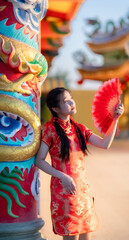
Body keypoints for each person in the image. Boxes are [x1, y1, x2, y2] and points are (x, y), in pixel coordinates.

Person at [35, 87, 124, 240]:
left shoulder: (79, 129)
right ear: (55, 108)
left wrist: (115, 118)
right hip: (64, 193)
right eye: (65, 100)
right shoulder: (50, 130)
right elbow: (39, 161)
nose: (71, 102)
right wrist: (62, 176)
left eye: (71, 98)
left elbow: (105, 144)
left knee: (85, 237)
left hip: (83, 192)